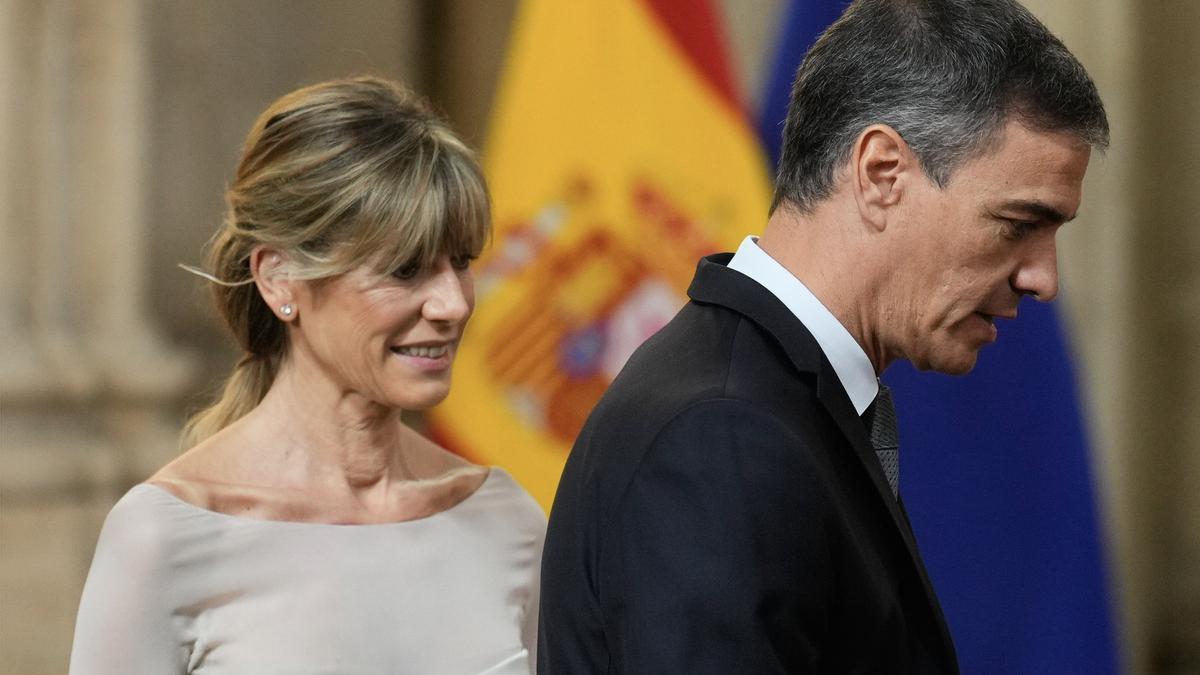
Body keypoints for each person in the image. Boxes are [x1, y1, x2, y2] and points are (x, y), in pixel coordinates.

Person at [538, 0, 1109, 672]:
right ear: (881, 173)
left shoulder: (769, 401)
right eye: (1018, 223)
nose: (1043, 279)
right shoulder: (722, 435)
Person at [70, 77, 544, 674]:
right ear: (279, 279)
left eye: (462, 263)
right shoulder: (164, 536)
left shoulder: (507, 520)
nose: (452, 303)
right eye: (404, 270)